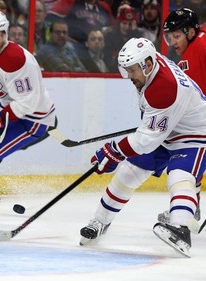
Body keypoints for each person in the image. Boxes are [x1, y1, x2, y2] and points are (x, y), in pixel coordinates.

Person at [79, 37, 206, 257]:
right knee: (129, 172)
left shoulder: (163, 88)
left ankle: (180, 229)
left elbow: (146, 141)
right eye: (126, 70)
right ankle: (100, 222)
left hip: (195, 133)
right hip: (168, 130)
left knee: (179, 175)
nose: (129, 76)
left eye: (132, 70)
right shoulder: (152, 65)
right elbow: (151, 128)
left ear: (147, 64)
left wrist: (113, 150)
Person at [0, 11, 56, 194]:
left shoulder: (15, 59)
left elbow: (27, 104)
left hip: (34, 120)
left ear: (5, 34)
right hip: (14, 111)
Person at [157, 7, 206, 224]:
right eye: (170, 37)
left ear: (191, 32)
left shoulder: (202, 46)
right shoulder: (189, 53)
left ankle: (189, 209)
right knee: (192, 163)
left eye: (177, 36)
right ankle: (190, 208)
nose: (173, 42)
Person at [104, 3, 143, 72]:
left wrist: (134, 34)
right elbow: (107, 59)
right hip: (113, 73)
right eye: (124, 23)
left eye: (130, 24)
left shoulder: (138, 36)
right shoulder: (110, 36)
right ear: (119, 23)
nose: (127, 27)